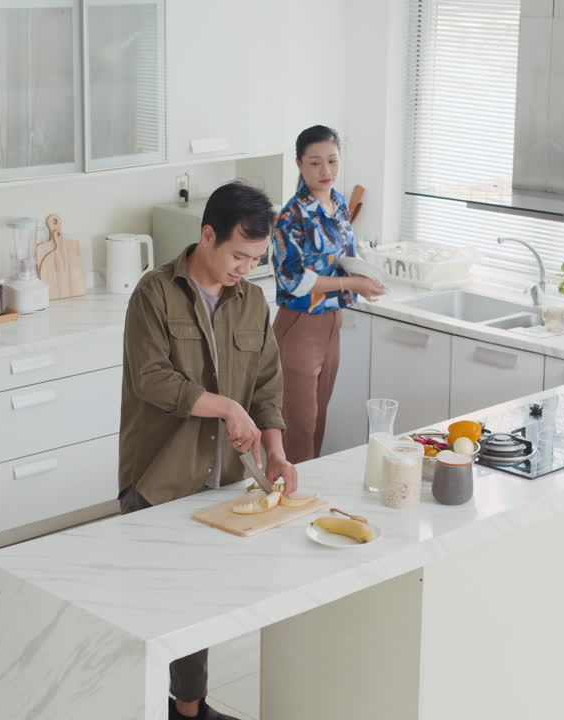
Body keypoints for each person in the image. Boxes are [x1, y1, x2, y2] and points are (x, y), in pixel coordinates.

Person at [118, 181, 298, 720]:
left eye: (256, 258)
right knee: (157, 609)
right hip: (159, 478)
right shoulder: (153, 294)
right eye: (238, 255)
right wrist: (224, 407)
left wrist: (277, 449)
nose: (246, 267)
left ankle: (189, 710)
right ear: (207, 234)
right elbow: (150, 379)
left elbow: (266, 382)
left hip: (219, 479)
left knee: (199, 603)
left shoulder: (253, 300)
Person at [271, 125, 384, 464]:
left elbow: (343, 257)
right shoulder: (291, 217)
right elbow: (295, 281)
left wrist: (364, 276)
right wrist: (352, 285)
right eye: (315, 163)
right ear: (299, 165)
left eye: (333, 161)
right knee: (298, 427)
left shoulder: (338, 203)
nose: (326, 171)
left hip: (332, 324)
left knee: (318, 423)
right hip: (300, 327)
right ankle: (288, 505)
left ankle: (306, 505)